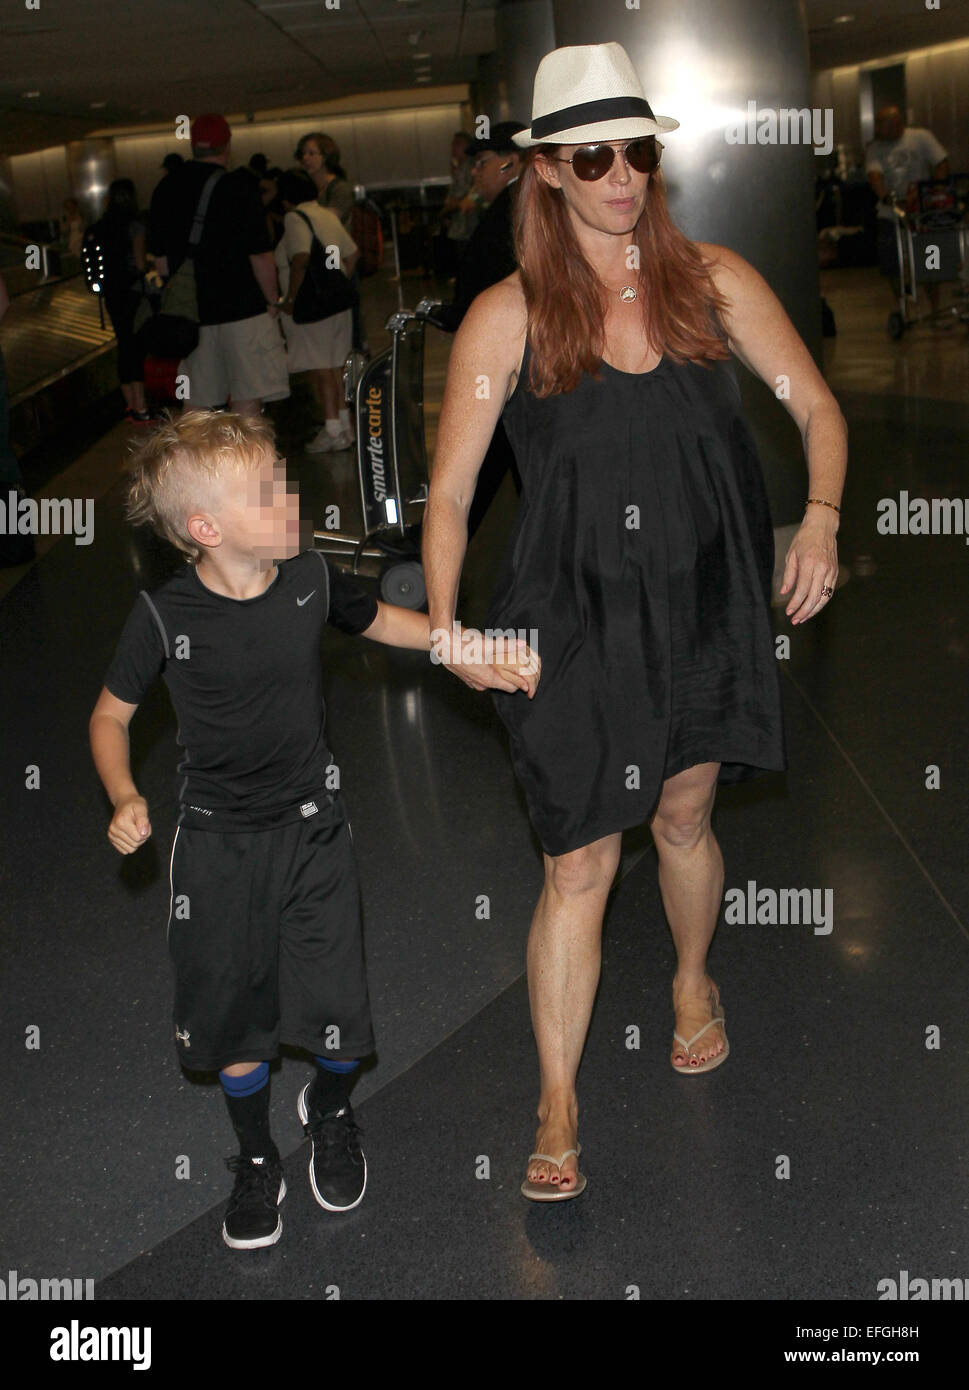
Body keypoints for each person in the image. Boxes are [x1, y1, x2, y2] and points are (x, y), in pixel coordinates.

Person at [422, 43, 846, 1201]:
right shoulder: (506, 318)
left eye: (638, 153)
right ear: (547, 172)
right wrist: (452, 623)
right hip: (566, 619)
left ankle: (693, 977)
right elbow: (452, 494)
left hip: (704, 597)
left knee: (686, 811)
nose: (621, 176)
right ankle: (558, 1095)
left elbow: (814, 403)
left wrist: (817, 518)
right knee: (576, 859)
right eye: (592, 157)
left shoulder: (712, 280)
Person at [87, 410, 440, 1249]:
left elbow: (386, 623)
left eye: (283, 475)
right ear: (205, 530)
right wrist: (122, 793)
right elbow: (109, 714)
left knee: (339, 1019)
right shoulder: (163, 615)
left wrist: (468, 646)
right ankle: (254, 1158)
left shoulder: (311, 578)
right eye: (266, 490)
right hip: (214, 847)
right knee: (234, 1023)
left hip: (315, 831)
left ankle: (330, 1106)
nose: (292, 495)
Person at [148, 113, 289, 419]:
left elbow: (160, 264)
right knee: (247, 400)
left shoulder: (166, 188)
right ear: (227, 145)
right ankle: (250, 467)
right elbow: (260, 256)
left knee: (197, 403)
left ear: (192, 146)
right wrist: (273, 300)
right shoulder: (239, 187)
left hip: (193, 317)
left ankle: (193, 466)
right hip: (244, 312)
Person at [437, 121, 528, 538]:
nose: (475, 172)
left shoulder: (513, 212)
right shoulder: (515, 208)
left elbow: (489, 289)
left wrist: (454, 314)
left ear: (511, 163)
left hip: (509, 365)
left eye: (483, 162)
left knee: (488, 460)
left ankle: (436, 553)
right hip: (512, 365)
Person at [274, 168, 359, 452]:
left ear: (285, 198)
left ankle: (331, 428)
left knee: (321, 367)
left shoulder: (294, 217)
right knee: (336, 365)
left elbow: (300, 258)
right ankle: (345, 427)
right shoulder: (327, 215)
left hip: (313, 306)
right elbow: (352, 253)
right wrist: (337, 282)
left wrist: (291, 299)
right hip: (337, 303)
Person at [865, 105, 949, 319]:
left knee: (930, 259)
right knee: (891, 262)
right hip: (891, 210)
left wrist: (934, 191)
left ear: (896, 124)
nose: (878, 130)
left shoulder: (920, 137)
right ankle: (901, 305)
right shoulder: (875, 148)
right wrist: (886, 196)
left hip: (921, 208)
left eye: (882, 125)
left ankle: (935, 306)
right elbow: (875, 175)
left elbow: (940, 162)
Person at [87, 178, 151, 423]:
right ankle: (141, 405)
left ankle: (131, 405)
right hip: (133, 292)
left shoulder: (100, 226)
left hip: (111, 293)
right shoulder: (135, 225)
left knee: (123, 343)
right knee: (135, 346)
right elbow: (138, 262)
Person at [296, 133, 367, 354]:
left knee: (346, 312)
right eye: (303, 154)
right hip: (317, 258)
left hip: (338, 253)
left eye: (312, 153)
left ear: (326, 156)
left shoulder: (340, 188)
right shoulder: (308, 189)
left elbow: (330, 220)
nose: (306, 158)